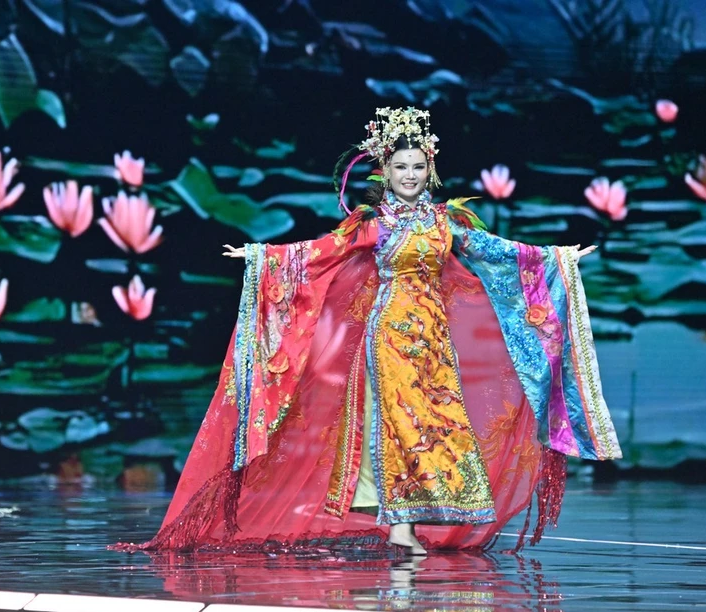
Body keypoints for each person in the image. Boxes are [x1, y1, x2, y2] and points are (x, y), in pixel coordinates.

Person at [120, 106, 621, 554]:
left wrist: (557, 258)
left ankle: (411, 518)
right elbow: (319, 252)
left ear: (430, 170)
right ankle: (400, 525)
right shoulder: (374, 224)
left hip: (433, 338)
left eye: (417, 167)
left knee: (436, 421)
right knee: (401, 420)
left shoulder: (446, 223)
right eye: (400, 167)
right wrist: (262, 257)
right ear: (385, 172)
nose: (409, 175)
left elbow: (499, 251)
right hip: (390, 336)